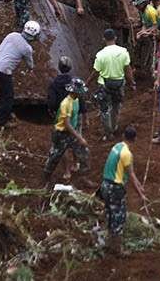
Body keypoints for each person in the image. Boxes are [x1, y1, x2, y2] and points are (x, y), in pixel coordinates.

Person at [99, 126, 147, 255]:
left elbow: (130, 174)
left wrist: (140, 186)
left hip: (105, 185)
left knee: (110, 213)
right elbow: (131, 175)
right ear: (135, 139)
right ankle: (118, 249)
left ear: (123, 136)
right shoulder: (127, 154)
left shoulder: (117, 146)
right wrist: (140, 195)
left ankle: (109, 242)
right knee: (119, 217)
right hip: (115, 188)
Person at [43, 78, 95, 188]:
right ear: (74, 91)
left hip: (71, 132)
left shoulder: (76, 100)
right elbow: (66, 124)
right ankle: (46, 176)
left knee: (84, 152)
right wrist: (79, 137)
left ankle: (84, 178)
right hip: (61, 133)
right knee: (55, 156)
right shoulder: (65, 104)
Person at [86, 29, 136, 141]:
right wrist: (132, 83)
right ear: (115, 38)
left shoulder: (101, 54)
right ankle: (114, 127)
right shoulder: (123, 51)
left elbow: (96, 72)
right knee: (116, 107)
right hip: (119, 84)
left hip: (104, 85)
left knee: (105, 110)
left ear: (104, 39)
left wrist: (87, 83)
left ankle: (108, 133)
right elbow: (128, 69)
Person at [0, 21, 40, 128]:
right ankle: (2, 122)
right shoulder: (27, 48)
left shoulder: (12, 35)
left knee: (3, 90)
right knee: (9, 97)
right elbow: (30, 65)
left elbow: (2, 47)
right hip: (3, 71)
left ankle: (3, 109)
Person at [46, 56, 88, 180]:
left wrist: (53, 111)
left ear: (59, 68)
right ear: (70, 67)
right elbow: (82, 100)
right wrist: (85, 117)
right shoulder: (75, 82)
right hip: (75, 117)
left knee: (62, 148)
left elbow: (52, 103)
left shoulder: (54, 84)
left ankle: (67, 171)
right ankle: (76, 164)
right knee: (76, 142)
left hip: (61, 118)